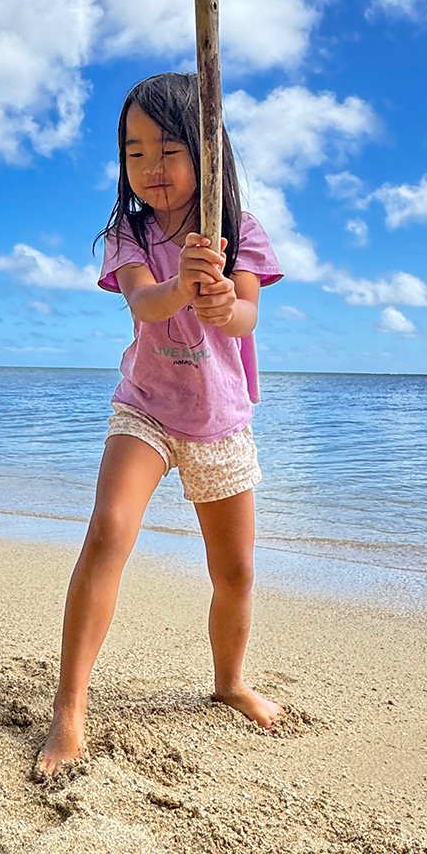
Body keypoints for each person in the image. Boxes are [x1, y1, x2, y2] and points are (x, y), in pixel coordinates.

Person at [35, 71, 284, 781]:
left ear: (207, 154)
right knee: (108, 530)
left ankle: (229, 681)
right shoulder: (131, 232)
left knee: (234, 570)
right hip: (146, 406)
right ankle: (70, 707)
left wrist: (220, 304)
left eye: (169, 150)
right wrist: (181, 286)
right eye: (134, 151)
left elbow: (246, 317)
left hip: (220, 420)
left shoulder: (239, 231)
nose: (150, 166)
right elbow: (144, 304)